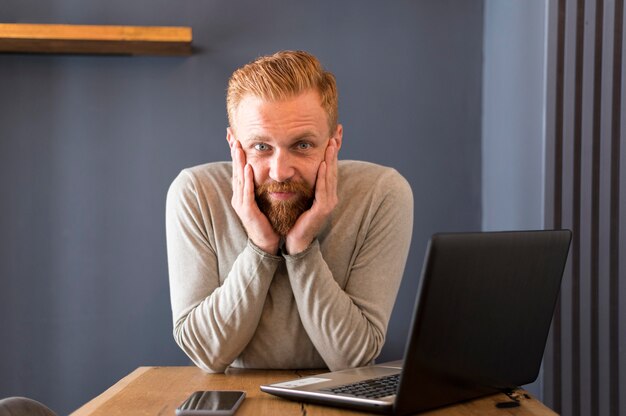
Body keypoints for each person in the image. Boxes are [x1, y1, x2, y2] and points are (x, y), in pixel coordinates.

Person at [166, 50, 413, 373]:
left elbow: (353, 359)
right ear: (234, 145)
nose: (280, 172)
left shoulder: (381, 193)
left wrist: (301, 248)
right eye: (261, 147)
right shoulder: (195, 193)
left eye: (302, 145)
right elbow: (207, 355)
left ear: (334, 142)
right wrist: (260, 246)